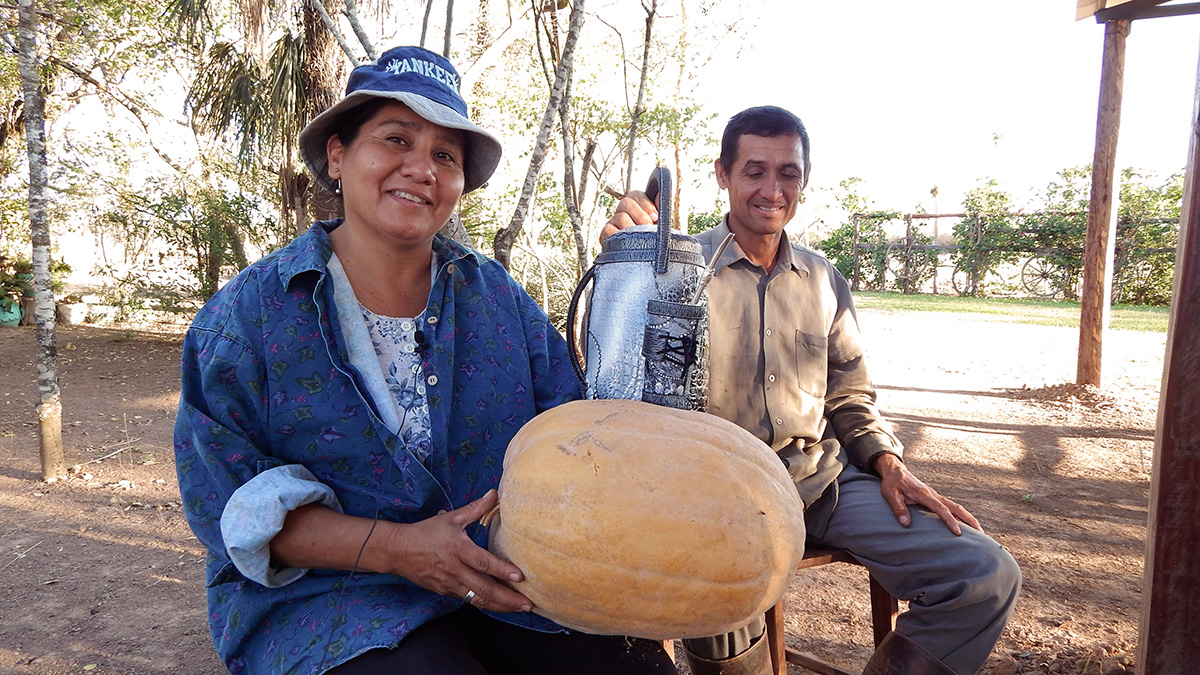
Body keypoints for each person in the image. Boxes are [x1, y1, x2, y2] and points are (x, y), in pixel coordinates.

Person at [174, 45, 677, 675]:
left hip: (503, 578)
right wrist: (398, 550)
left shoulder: (498, 302)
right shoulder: (249, 318)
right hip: (333, 598)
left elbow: (582, 430)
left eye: (445, 154)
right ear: (338, 155)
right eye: (395, 139)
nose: (421, 168)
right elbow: (227, 502)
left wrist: (633, 273)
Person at [602, 106, 1021, 675]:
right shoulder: (673, 267)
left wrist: (889, 462)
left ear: (804, 180)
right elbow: (621, 382)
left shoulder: (824, 279)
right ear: (722, 174)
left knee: (983, 574)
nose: (772, 190)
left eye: (788, 174)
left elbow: (850, 395)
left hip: (822, 481)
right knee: (724, 597)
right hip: (723, 493)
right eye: (754, 171)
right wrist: (622, 259)